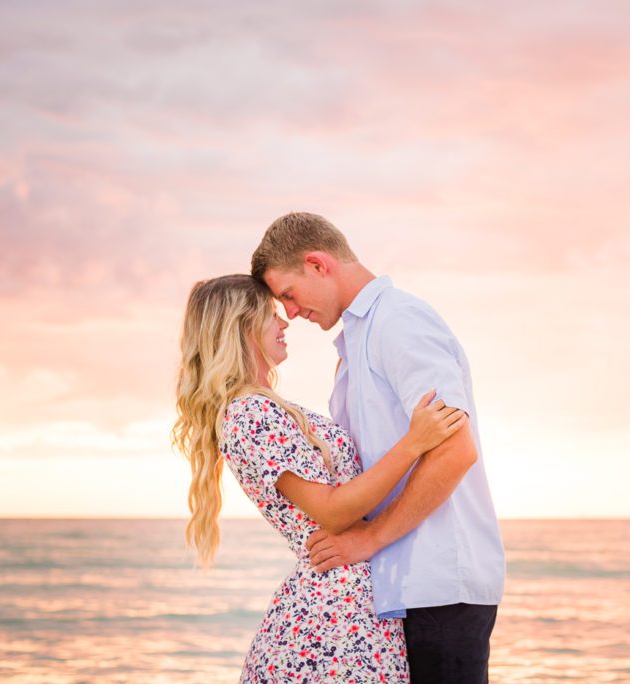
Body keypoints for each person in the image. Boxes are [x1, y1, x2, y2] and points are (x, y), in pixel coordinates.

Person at [172, 274, 468, 683]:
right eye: (271, 314)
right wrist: (414, 443)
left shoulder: (265, 407)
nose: (285, 323)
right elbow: (331, 510)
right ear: (241, 327)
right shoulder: (248, 414)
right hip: (332, 622)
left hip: (349, 605)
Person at [251, 212, 506, 683]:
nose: (289, 312)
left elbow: (455, 449)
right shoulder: (357, 342)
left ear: (317, 264)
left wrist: (369, 539)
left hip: (438, 587)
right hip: (399, 589)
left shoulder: (398, 321)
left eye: (288, 293)